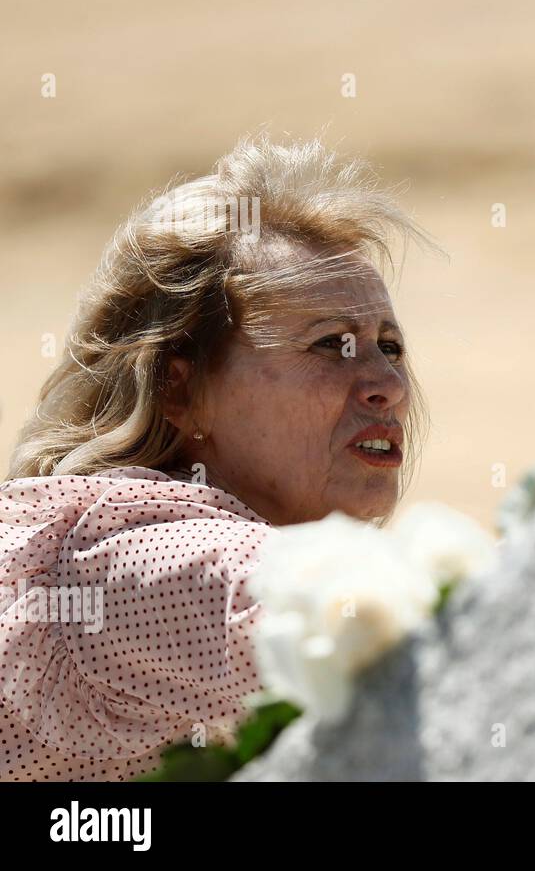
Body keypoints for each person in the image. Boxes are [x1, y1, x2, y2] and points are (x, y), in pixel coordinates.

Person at [0, 134, 431, 780]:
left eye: (389, 347)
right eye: (331, 345)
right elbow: (303, 604)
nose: (388, 386)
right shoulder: (140, 557)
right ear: (180, 389)